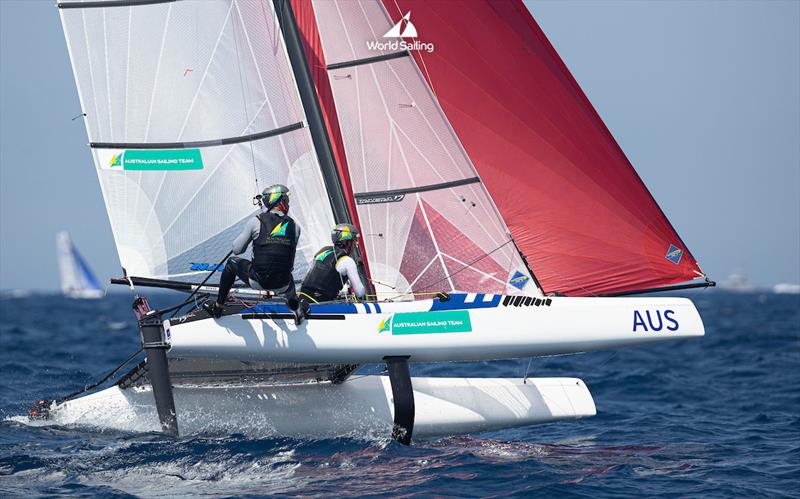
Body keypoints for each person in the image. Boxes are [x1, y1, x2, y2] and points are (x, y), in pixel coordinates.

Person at [202, 184, 307, 325]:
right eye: (287, 200)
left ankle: (218, 307)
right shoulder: (296, 227)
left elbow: (237, 250)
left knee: (231, 263)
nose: (288, 204)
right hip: (283, 284)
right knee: (285, 269)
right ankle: (296, 309)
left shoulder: (256, 221)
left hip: (258, 281)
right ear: (280, 201)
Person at [300, 223, 366, 303]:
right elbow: (359, 292)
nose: (354, 246)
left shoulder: (323, 251)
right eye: (354, 242)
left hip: (302, 297)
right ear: (348, 242)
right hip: (320, 304)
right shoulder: (347, 260)